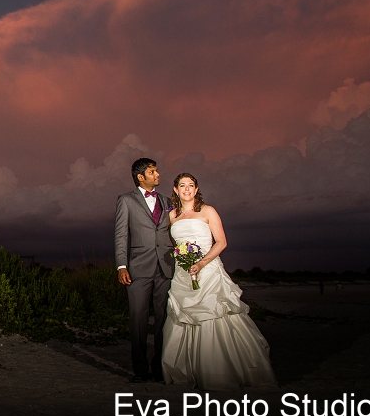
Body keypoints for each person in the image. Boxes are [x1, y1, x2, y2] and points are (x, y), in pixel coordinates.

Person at [161, 173, 277, 390]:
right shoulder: (172, 216)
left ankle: (218, 371)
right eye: (182, 185)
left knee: (213, 313)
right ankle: (190, 370)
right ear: (175, 190)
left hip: (208, 270)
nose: (187, 189)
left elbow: (221, 242)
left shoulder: (208, 211)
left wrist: (202, 263)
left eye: (191, 185)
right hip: (183, 272)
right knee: (184, 315)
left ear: (196, 190)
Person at [114, 158, 174, 383]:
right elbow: (121, 235)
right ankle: (140, 369)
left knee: (164, 320)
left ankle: (160, 368)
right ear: (141, 177)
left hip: (167, 267)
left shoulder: (168, 201)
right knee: (138, 319)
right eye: (152, 171)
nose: (158, 174)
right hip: (138, 267)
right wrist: (122, 265)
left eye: (157, 170)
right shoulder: (126, 200)